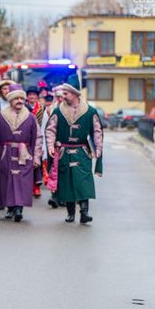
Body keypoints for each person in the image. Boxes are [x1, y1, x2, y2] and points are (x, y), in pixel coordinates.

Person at [45, 75, 103, 224]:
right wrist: (50, 145)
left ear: (75, 94)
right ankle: (70, 213)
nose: (63, 96)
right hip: (64, 152)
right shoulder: (58, 111)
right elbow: (50, 129)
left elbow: (97, 131)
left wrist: (98, 148)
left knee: (83, 181)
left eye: (66, 93)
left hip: (82, 152)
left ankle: (84, 212)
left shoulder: (90, 111)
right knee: (67, 182)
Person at [0, 84, 43, 222]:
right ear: (10, 100)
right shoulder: (0, 116)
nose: (20, 101)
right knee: (7, 180)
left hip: (25, 154)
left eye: (22, 98)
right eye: (16, 98)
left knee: (22, 180)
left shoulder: (31, 117)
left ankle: (19, 208)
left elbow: (38, 137)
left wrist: (36, 157)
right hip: (5, 153)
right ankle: (10, 207)